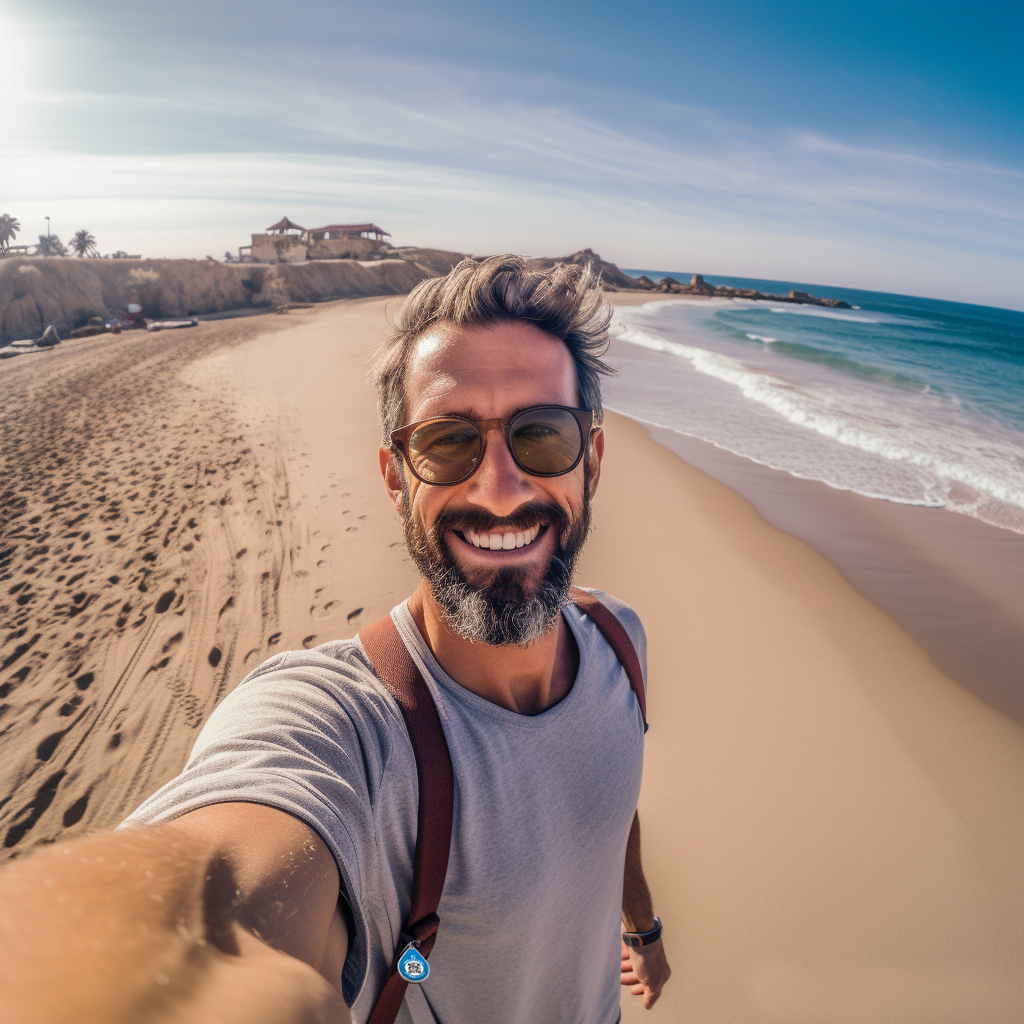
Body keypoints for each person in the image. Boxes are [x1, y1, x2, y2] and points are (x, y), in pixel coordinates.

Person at [0, 255, 671, 1024]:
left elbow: (611, 806)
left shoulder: (623, 643)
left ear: (594, 460)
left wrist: (642, 929)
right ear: (394, 479)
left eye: (543, 437)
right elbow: (215, 903)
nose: (498, 486)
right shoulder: (343, 727)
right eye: (448, 442)